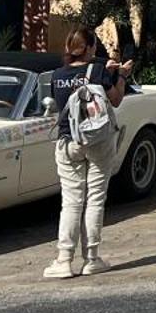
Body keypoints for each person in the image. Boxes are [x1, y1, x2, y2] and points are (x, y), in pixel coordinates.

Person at [44, 25, 130, 279]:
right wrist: (122, 75)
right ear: (91, 47)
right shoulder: (98, 71)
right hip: (98, 140)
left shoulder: (57, 75)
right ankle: (91, 258)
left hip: (68, 140)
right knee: (95, 199)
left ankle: (63, 259)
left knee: (71, 201)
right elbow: (115, 99)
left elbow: (59, 104)